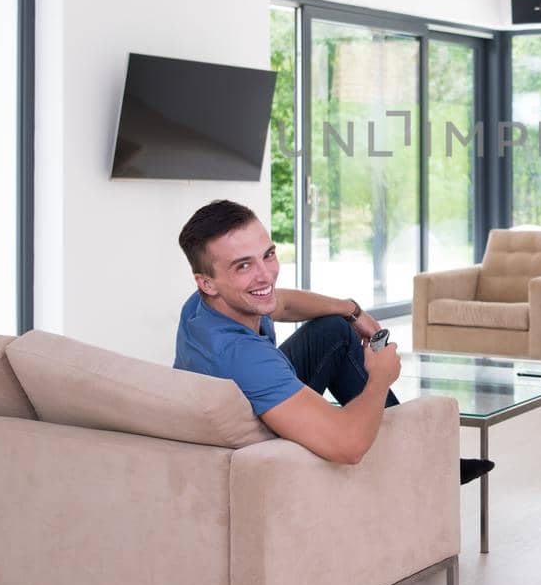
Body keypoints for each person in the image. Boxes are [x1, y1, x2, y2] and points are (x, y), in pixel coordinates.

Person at [174, 199, 492, 482]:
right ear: (207, 282)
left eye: (268, 255)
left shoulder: (204, 306)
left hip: (250, 400)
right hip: (269, 438)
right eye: (243, 265)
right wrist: (380, 377)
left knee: (334, 329)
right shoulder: (243, 356)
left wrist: (350, 309)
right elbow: (347, 446)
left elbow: (281, 303)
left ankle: (428, 458)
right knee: (356, 384)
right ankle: (425, 463)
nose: (266, 275)